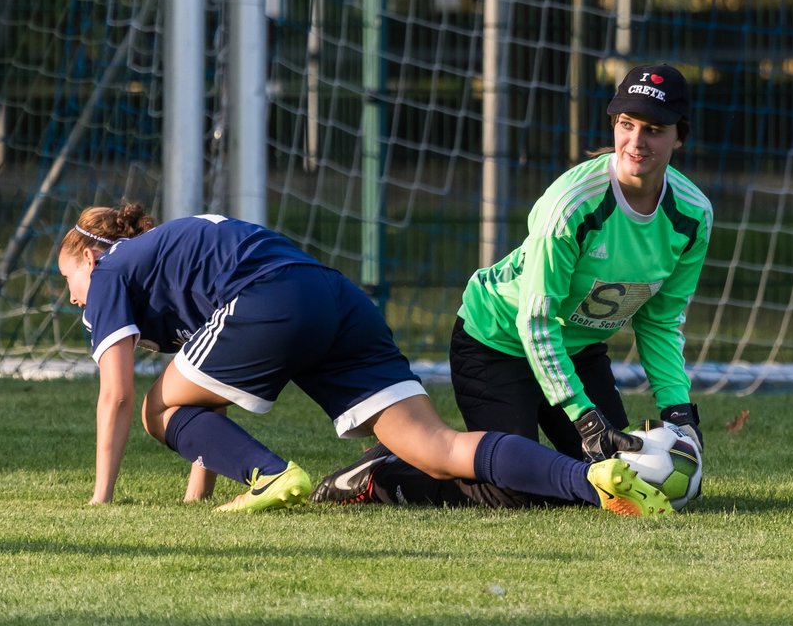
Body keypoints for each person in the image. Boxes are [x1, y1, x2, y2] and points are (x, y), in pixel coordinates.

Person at [56, 204, 672, 515]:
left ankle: (273, 476)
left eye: (68, 277)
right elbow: (209, 407)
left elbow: (115, 394)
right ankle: (590, 482)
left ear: (90, 255)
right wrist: (197, 499)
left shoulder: (111, 271)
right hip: (335, 297)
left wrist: (100, 501)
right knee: (435, 446)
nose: (73, 294)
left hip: (269, 299)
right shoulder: (172, 263)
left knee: (152, 408)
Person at [313, 62, 712, 508]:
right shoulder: (573, 205)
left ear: (679, 135)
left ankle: (446, 456)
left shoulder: (693, 216)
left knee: (612, 479)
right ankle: (387, 473)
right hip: (497, 342)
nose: (636, 142)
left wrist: (678, 412)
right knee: (515, 490)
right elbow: (536, 321)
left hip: (575, 353)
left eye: (654, 129)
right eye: (626, 124)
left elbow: (659, 321)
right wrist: (584, 416)